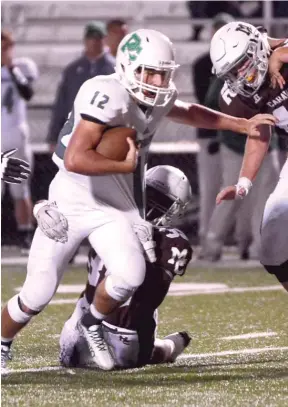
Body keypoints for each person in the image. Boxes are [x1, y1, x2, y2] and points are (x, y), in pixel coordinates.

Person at [1, 28, 277, 374]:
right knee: (37, 293)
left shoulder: (158, 96)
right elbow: (75, 159)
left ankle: (91, 323)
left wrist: (241, 124)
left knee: (130, 273)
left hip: (115, 204)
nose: (157, 80)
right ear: (129, 66)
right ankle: (2, 344)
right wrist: (124, 164)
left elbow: (187, 110)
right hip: (72, 198)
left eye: (163, 73)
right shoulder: (104, 92)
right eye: (149, 72)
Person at [59, 165, 193, 369]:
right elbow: (154, 291)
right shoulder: (174, 241)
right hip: (125, 341)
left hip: (75, 329)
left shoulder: (104, 216)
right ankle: (169, 347)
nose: (153, 205)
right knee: (153, 332)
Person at [210, 22, 288, 290]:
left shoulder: (280, 52)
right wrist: (243, 184)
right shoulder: (235, 98)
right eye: (231, 71)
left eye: (241, 64)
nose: (239, 75)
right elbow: (260, 130)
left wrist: (282, 53)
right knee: (273, 245)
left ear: (256, 48)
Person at [191, 13, 233, 246]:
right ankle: (207, 237)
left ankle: (234, 238)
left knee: (233, 188)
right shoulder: (202, 65)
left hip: (235, 136)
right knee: (210, 188)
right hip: (210, 135)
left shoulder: (240, 61)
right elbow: (204, 102)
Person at [46, 21, 115, 152]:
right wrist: (54, 136)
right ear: (85, 40)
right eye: (91, 38)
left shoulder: (115, 69)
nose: (94, 42)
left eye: (98, 38)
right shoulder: (72, 70)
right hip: (76, 132)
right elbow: (61, 104)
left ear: (104, 40)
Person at [1, 29, 38, 252]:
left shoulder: (22, 67)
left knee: (20, 188)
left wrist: (10, 67)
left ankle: (26, 234)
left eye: (6, 46)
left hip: (16, 134)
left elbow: (27, 93)